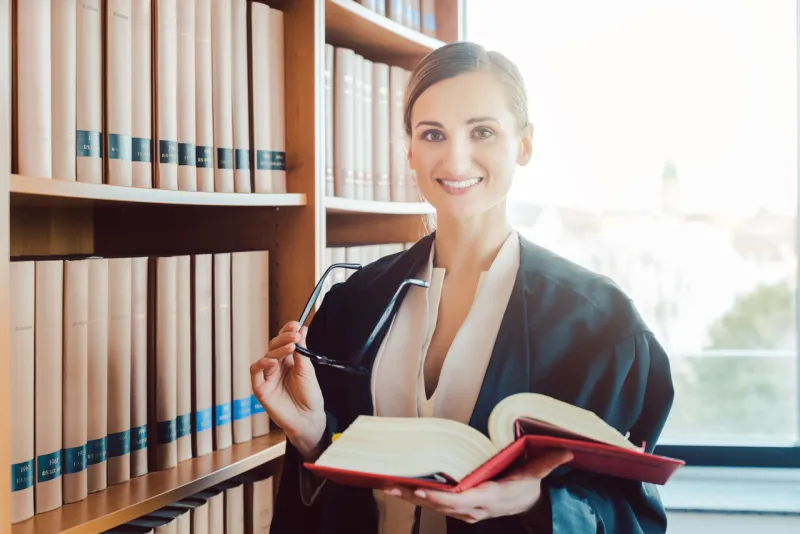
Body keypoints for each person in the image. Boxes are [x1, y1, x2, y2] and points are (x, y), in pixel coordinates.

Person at [251, 41, 675, 534]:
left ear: (524, 145)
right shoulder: (353, 305)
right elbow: (316, 506)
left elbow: (631, 515)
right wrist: (311, 437)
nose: (455, 160)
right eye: (433, 134)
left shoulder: (598, 324)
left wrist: (538, 503)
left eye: (483, 132)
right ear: (409, 149)